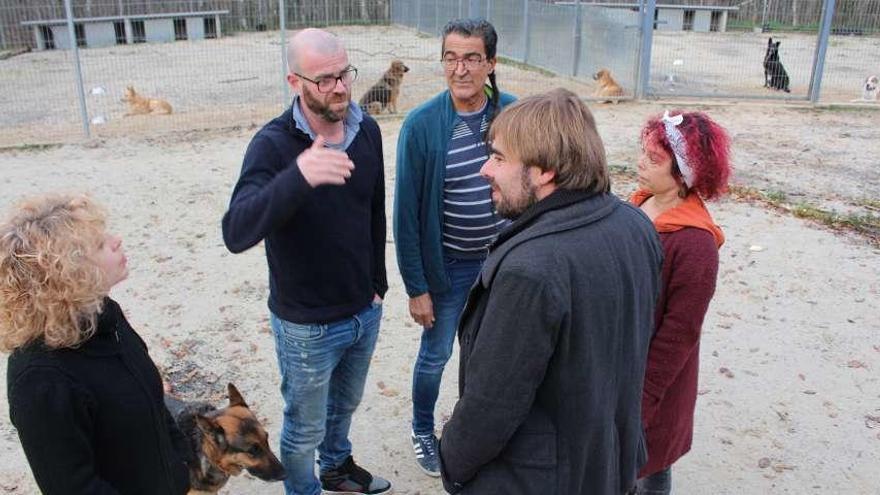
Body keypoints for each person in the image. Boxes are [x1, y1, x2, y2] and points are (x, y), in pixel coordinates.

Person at [438, 88, 663, 494]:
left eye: (500, 158)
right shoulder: (635, 225)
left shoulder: (532, 269)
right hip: (607, 466)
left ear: (544, 172)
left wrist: (450, 460)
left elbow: (490, 407)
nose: (485, 170)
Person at [221, 28, 390, 495]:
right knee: (303, 427)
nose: (339, 87)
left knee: (345, 407)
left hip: (364, 310)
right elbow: (236, 232)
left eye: (344, 74)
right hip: (307, 327)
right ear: (294, 82)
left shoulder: (367, 130)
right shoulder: (273, 146)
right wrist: (298, 177)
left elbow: (373, 209)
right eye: (324, 79)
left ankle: (336, 467)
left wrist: (378, 284)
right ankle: (304, 489)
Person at [1, 193, 191, 494]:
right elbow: (73, 487)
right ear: (67, 273)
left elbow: (153, 402)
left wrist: (183, 462)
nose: (116, 240)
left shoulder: (104, 317)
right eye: (100, 244)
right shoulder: (40, 380)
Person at [393, 18, 516, 477]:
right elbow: (405, 213)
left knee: (492, 353)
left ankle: (476, 431)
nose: (459, 69)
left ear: (490, 63)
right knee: (437, 353)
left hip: (503, 261)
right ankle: (423, 429)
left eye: (471, 58)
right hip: (448, 266)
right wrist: (417, 286)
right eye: (451, 58)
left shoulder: (511, 115)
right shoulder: (422, 125)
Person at [630, 110, 731, 495]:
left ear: (684, 174)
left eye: (654, 159)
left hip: (656, 384)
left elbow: (680, 333)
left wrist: (642, 401)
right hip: (623, 369)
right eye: (642, 152)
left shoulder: (695, 244)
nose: (640, 163)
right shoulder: (638, 205)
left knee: (648, 466)